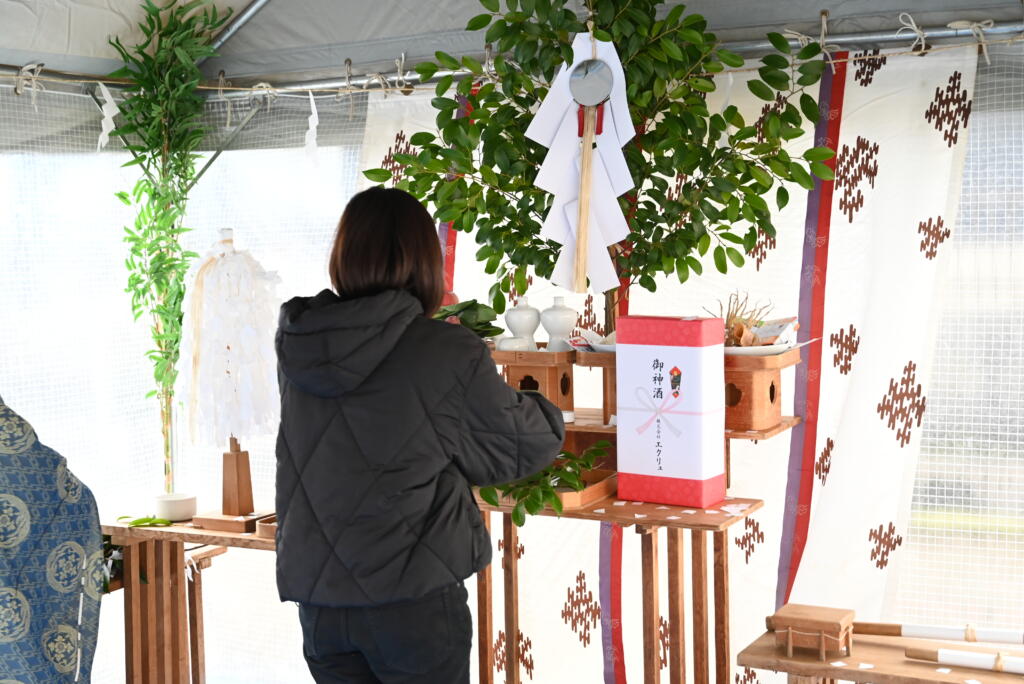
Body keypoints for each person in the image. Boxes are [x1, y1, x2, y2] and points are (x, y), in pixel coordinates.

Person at [274, 187, 565, 683]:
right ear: (425, 263)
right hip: (411, 603)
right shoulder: (445, 349)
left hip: (321, 605)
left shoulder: (300, 341)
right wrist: (543, 404)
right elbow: (520, 443)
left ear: (344, 256)